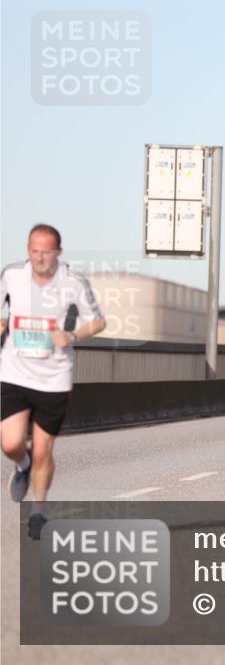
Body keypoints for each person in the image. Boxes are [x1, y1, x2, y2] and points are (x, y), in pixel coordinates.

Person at [2, 224, 106, 540]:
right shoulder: (11, 275)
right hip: (13, 372)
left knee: (45, 449)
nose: (40, 258)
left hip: (55, 378)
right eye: (34, 251)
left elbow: (98, 321)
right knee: (10, 443)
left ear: (58, 252)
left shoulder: (73, 282)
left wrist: (72, 335)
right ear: (28, 250)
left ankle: (38, 512)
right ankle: (22, 465)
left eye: (46, 251)